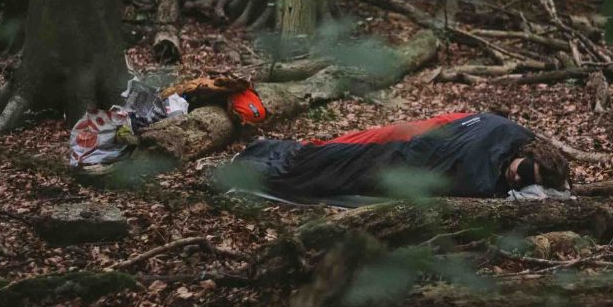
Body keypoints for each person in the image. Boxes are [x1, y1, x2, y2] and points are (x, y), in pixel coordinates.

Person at [225, 112, 570, 205]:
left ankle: (259, 156)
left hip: (407, 151)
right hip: (405, 144)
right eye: (524, 171)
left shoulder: (509, 156)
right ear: (529, 153)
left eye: (527, 182)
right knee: (320, 162)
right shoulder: (505, 136)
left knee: (328, 171)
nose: (518, 179)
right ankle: (256, 158)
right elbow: (472, 171)